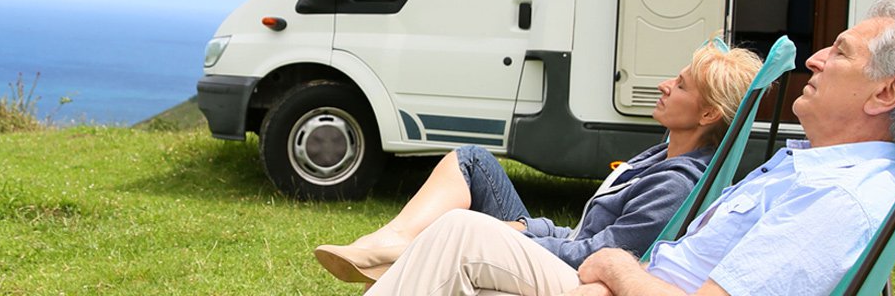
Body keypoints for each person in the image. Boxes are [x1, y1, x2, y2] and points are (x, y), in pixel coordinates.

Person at [364, 0, 895, 296]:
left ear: (886, 92)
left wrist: (620, 270)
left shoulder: (839, 199)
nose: (814, 57)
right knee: (461, 237)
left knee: (461, 234)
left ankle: (385, 255)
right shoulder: (812, 172)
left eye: (839, 51)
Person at [314, 41, 763, 284]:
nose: (665, 85)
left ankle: (396, 254)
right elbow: (586, 232)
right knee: (474, 161)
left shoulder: (678, 183)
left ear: (707, 114)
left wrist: (520, 240)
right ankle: (387, 242)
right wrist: (529, 229)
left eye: (680, 86)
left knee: (462, 228)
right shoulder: (661, 154)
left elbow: (601, 254)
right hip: (564, 251)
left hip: (577, 276)